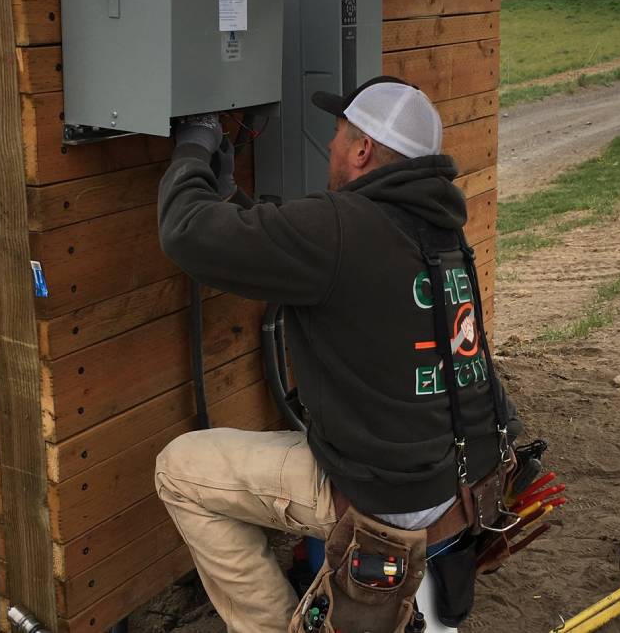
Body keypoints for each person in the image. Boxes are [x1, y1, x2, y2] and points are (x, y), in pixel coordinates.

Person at [154, 76, 519, 633]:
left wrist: (194, 145)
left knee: (180, 470)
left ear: (363, 150)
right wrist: (230, 196)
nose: (330, 145)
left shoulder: (339, 229)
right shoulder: (443, 232)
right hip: (461, 487)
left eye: (338, 133)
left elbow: (186, 233)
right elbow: (308, 257)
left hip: (389, 503)